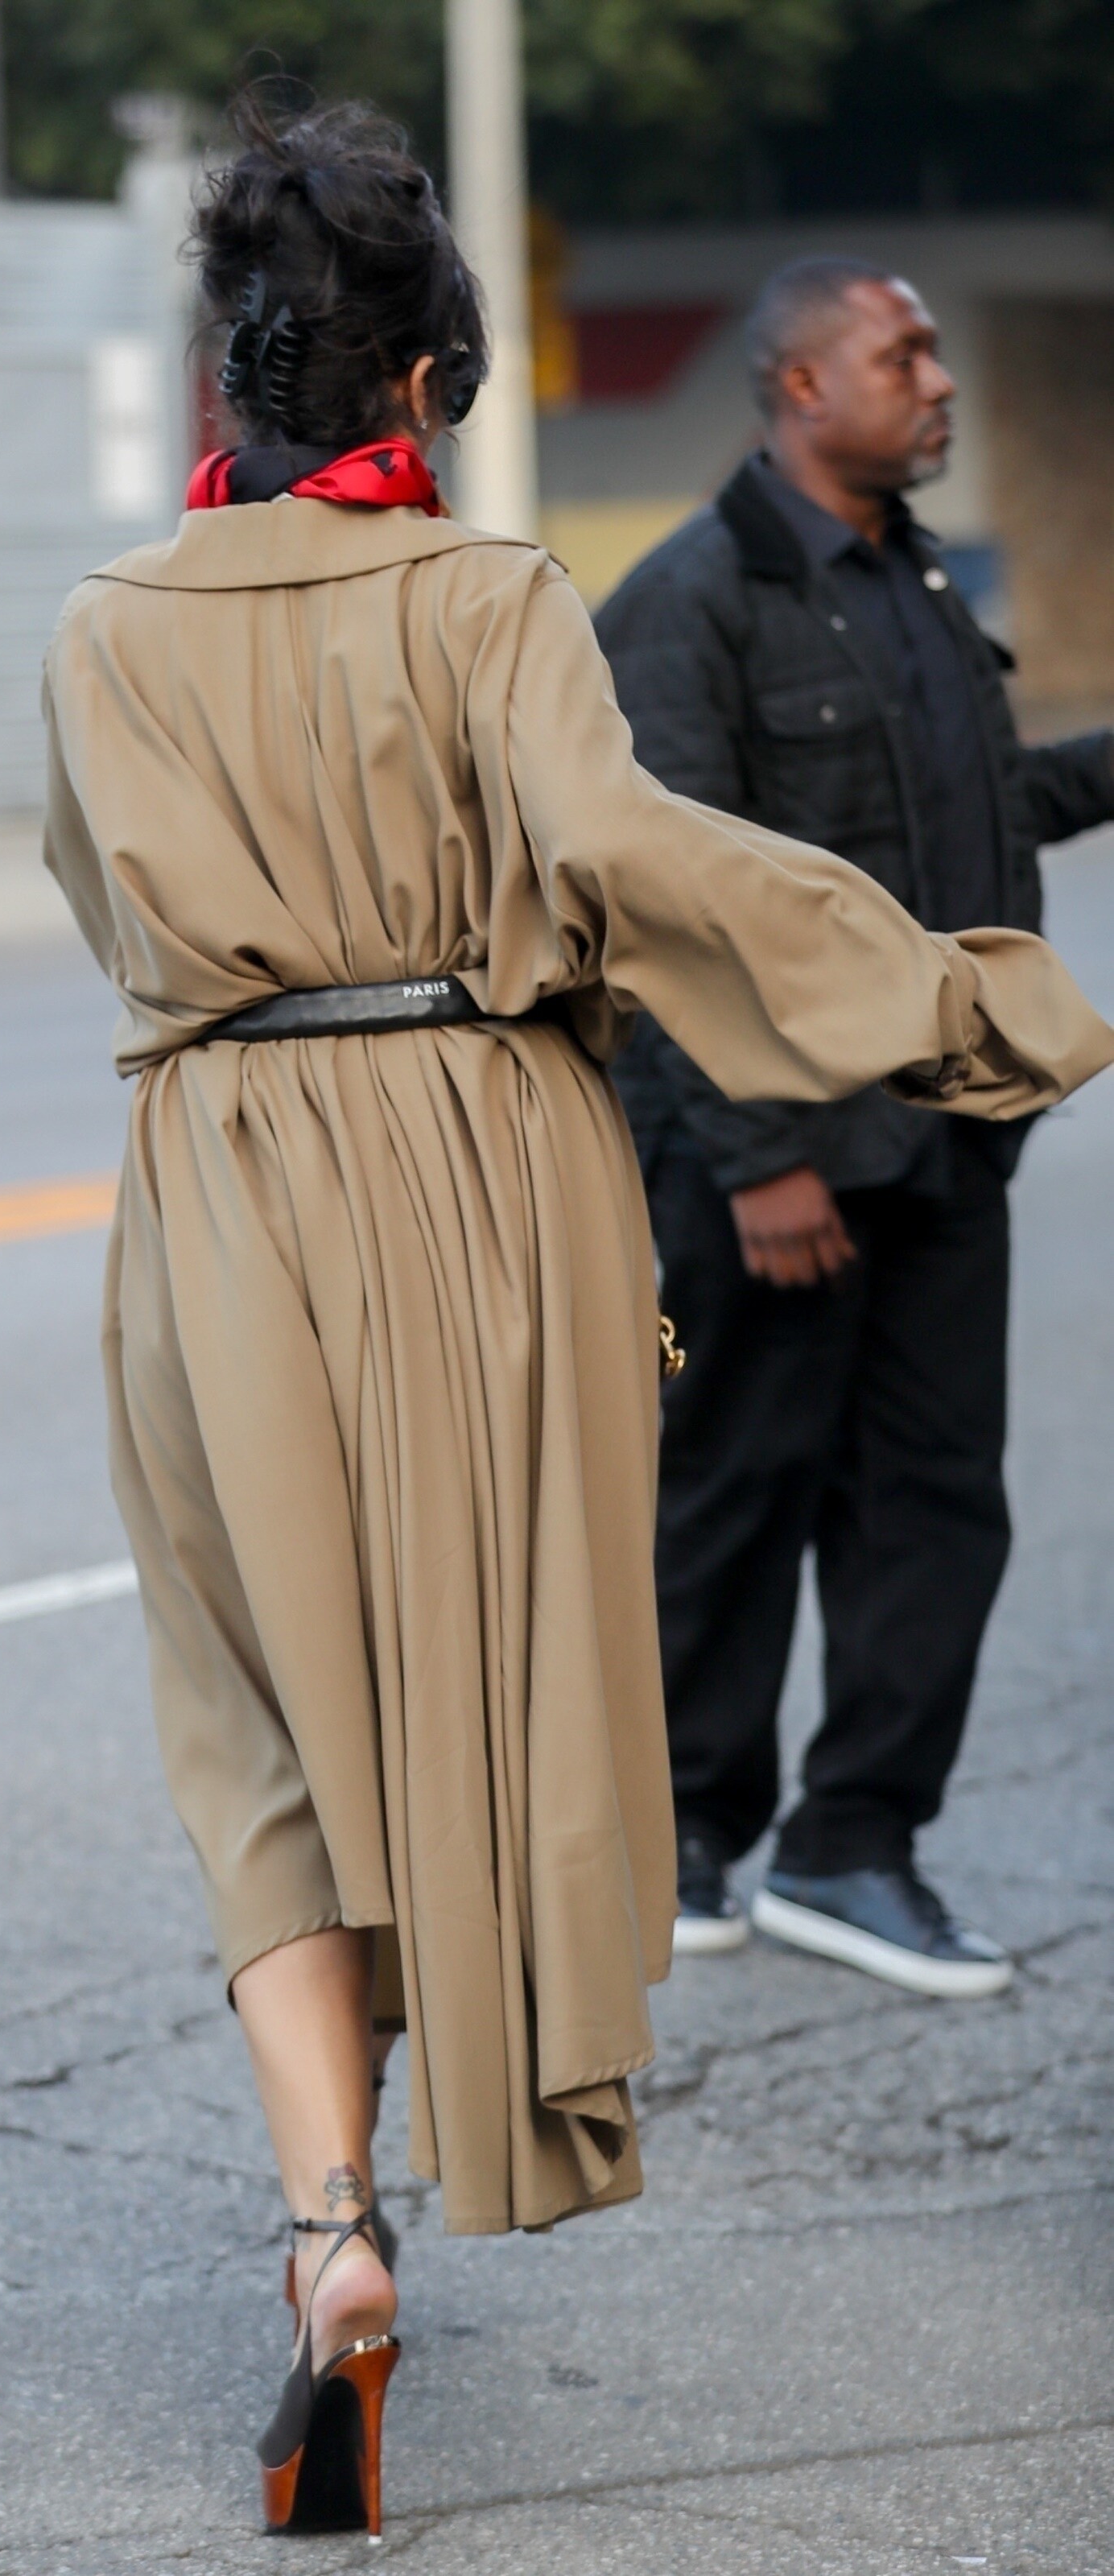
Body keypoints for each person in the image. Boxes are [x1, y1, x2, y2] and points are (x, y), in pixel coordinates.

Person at [41, 113, 1112, 2537]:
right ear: (426, 380)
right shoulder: (487, 593)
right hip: (470, 1148)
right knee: (484, 1668)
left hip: (213, 1176)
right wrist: (943, 1001)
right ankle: (482, 2093)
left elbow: (99, 903)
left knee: (256, 1724)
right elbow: (631, 864)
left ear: (234, 370)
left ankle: (326, 2231)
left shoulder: (101, 620)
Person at [596, 259, 1114, 1998]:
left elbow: (977, 814)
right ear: (801, 386)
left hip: (938, 1140)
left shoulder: (911, 581)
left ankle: (852, 1845)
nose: (939, 380)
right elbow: (659, 903)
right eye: (904, 353)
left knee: (934, 1505)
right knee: (730, 1490)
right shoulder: (691, 600)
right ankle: (678, 1837)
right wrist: (758, 1157)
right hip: (767, 1164)